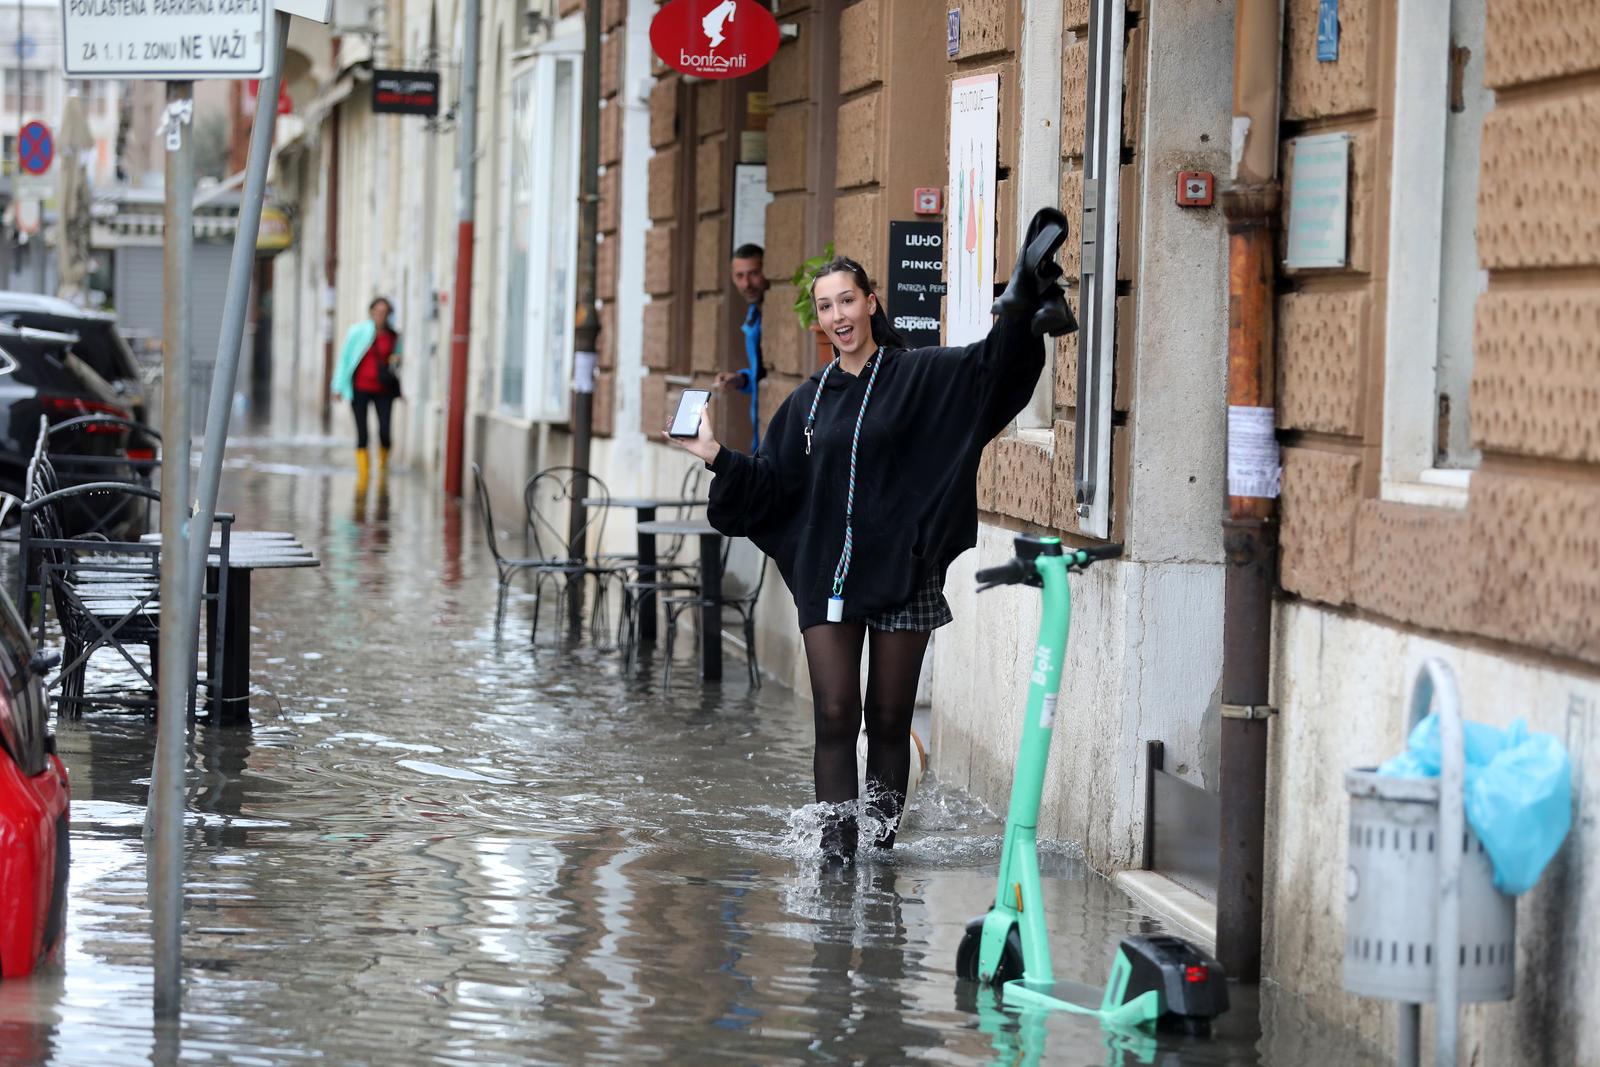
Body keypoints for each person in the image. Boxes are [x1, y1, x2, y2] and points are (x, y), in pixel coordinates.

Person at [669, 210, 1072, 862]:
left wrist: (1022, 302)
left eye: (847, 300)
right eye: (826, 306)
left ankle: (879, 853)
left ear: (871, 302)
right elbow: (771, 485)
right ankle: (836, 855)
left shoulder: (915, 375)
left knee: (888, 719)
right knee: (835, 714)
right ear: (819, 319)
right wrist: (715, 454)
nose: (839, 315)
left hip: (903, 573)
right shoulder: (807, 403)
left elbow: (986, 373)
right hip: (828, 578)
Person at [332, 297, 402, 493]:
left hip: (384, 390)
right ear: (371, 312)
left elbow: (397, 362)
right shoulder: (358, 332)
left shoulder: (393, 336)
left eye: (384, 312)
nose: (380, 315)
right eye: (377, 311)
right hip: (360, 388)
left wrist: (396, 363)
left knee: (385, 431)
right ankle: (363, 476)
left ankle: (383, 468)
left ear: (389, 314)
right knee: (362, 433)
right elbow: (345, 358)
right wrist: (337, 387)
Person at [713, 244, 768, 451]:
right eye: (740, 276)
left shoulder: (772, 311)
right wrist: (741, 379)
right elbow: (763, 374)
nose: (746, 284)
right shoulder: (753, 315)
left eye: (754, 273)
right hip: (760, 435)